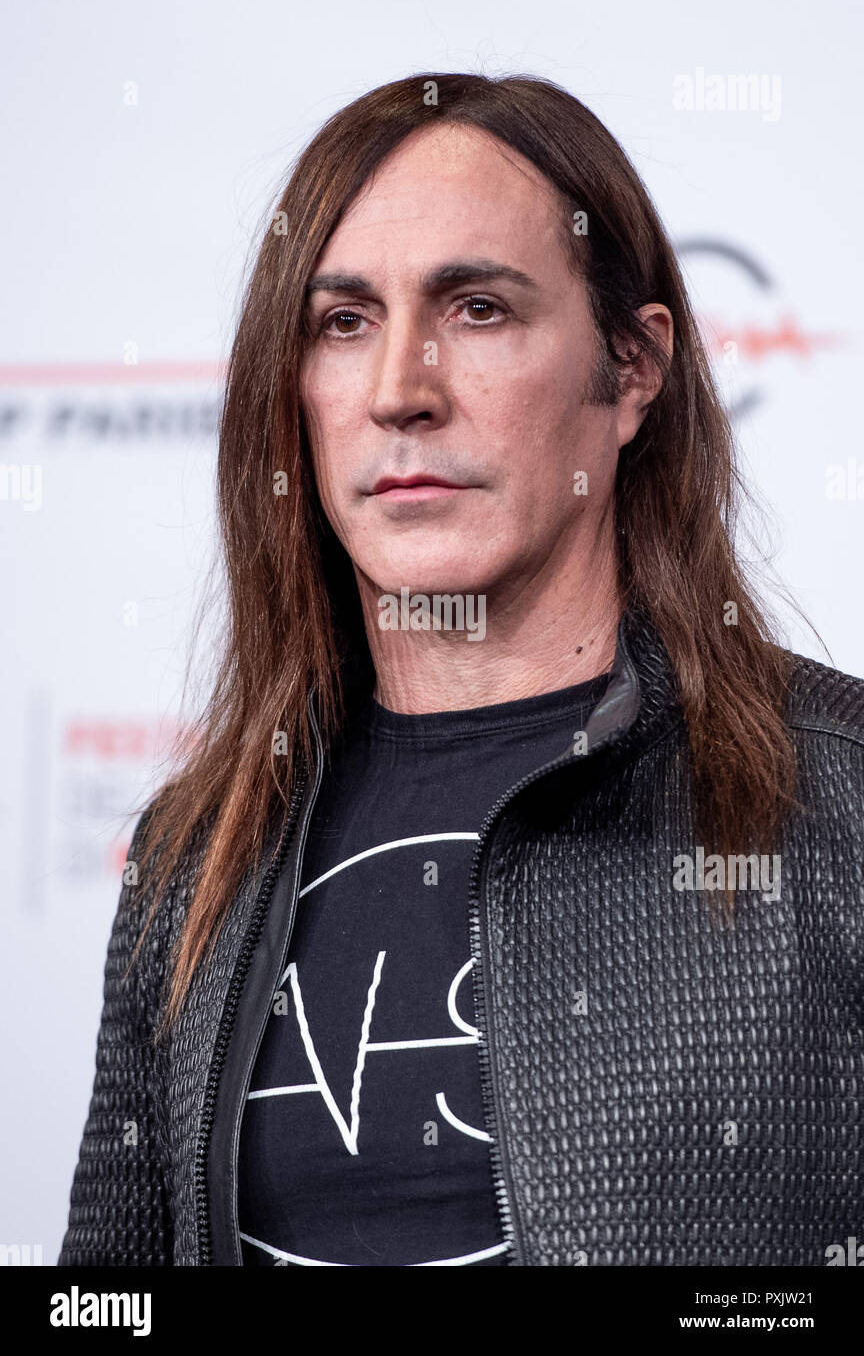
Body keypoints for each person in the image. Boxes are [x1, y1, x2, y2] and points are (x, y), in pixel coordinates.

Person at [58, 72, 864, 1268]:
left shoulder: (841, 793)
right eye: (343, 323)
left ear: (632, 370)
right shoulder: (194, 854)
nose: (400, 391)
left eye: (477, 309)